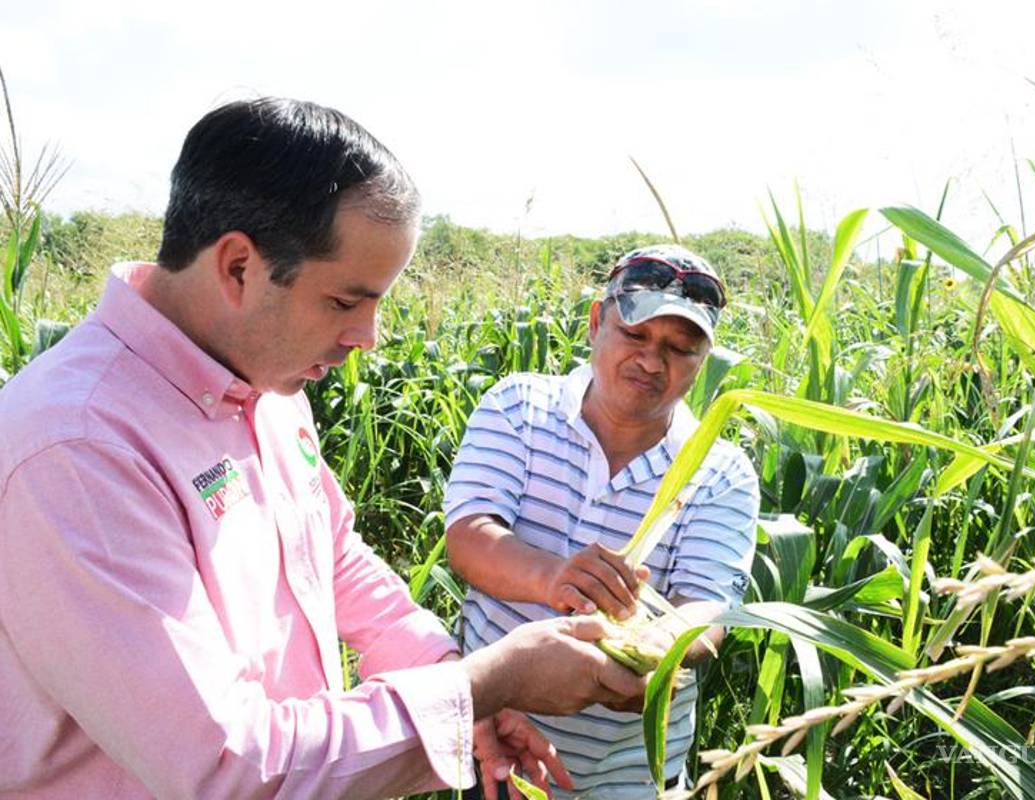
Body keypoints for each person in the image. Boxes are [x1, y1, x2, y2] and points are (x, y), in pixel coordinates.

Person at [0, 98, 647, 799]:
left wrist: (449, 679)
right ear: (239, 266)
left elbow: (330, 557)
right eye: (344, 302)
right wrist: (482, 683)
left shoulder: (267, 388)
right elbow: (227, 767)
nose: (367, 338)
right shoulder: (78, 447)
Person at [444, 244, 760, 798]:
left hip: (630, 776)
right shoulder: (519, 408)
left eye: (679, 349)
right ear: (596, 322)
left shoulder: (720, 471)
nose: (651, 362)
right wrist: (556, 578)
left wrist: (655, 651)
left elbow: (707, 606)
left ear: (702, 360)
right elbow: (471, 536)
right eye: (635, 335)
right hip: (497, 746)